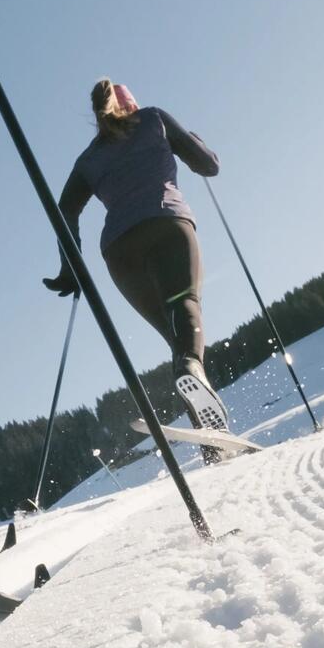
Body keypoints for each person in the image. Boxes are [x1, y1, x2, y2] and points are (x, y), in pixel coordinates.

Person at [44, 79, 231, 435]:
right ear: (131, 105)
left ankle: (211, 440)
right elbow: (208, 165)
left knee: (176, 340)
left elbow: (64, 210)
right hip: (166, 224)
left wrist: (71, 268)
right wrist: (197, 143)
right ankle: (192, 369)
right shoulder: (153, 119)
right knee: (184, 304)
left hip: (120, 252)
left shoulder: (88, 159)